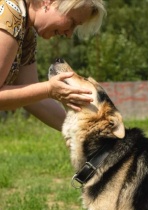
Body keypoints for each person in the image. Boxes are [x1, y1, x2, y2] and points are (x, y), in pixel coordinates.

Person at [0, 0, 106, 130]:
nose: (69, 34)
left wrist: (87, 131)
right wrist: (48, 90)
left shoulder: (27, 33)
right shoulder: (9, 15)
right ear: (48, 2)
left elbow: (34, 99)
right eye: (72, 22)